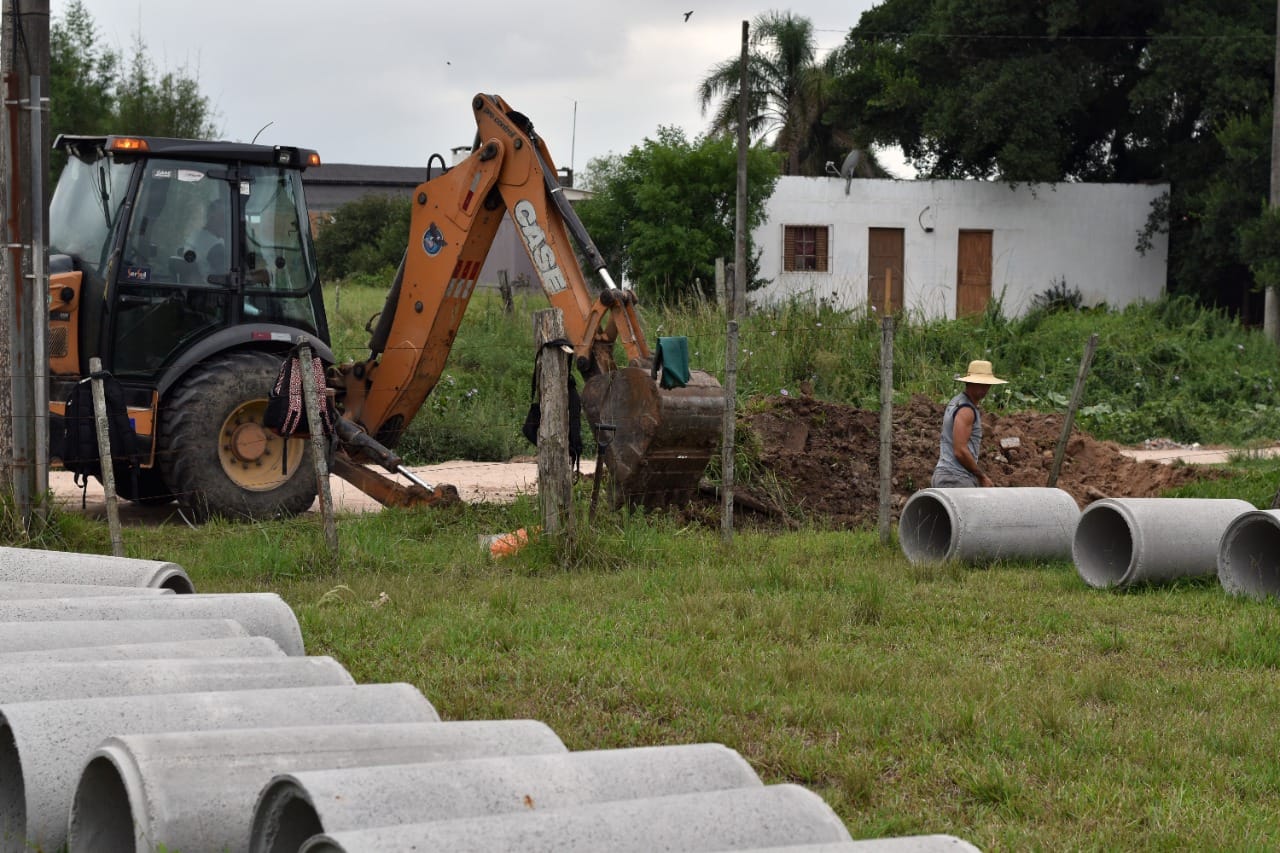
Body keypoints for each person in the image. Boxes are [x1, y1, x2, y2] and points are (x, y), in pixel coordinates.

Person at [932, 359, 1007, 488]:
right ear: (969, 382)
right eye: (980, 383)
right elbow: (960, 451)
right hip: (956, 478)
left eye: (987, 384)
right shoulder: (966, 410)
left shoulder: (956, 402)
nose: (985, 388)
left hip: (947, 476)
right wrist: (981, 476)